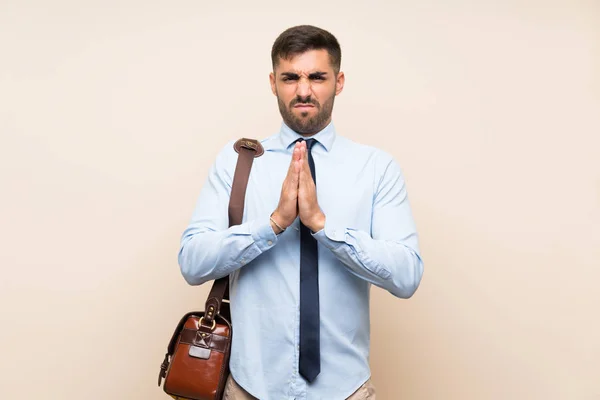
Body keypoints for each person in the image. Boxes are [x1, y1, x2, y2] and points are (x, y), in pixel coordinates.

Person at [178, 24, 424, 400]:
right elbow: (192, 263)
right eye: (290, 77)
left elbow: (407, 275)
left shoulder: (376, 168)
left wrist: (322, 226)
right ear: (273, 82)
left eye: (317, 77)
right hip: (250, 387)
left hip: (345, 389)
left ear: (339, 82)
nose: (304, 90)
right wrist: (272, 225)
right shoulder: (238, 162)